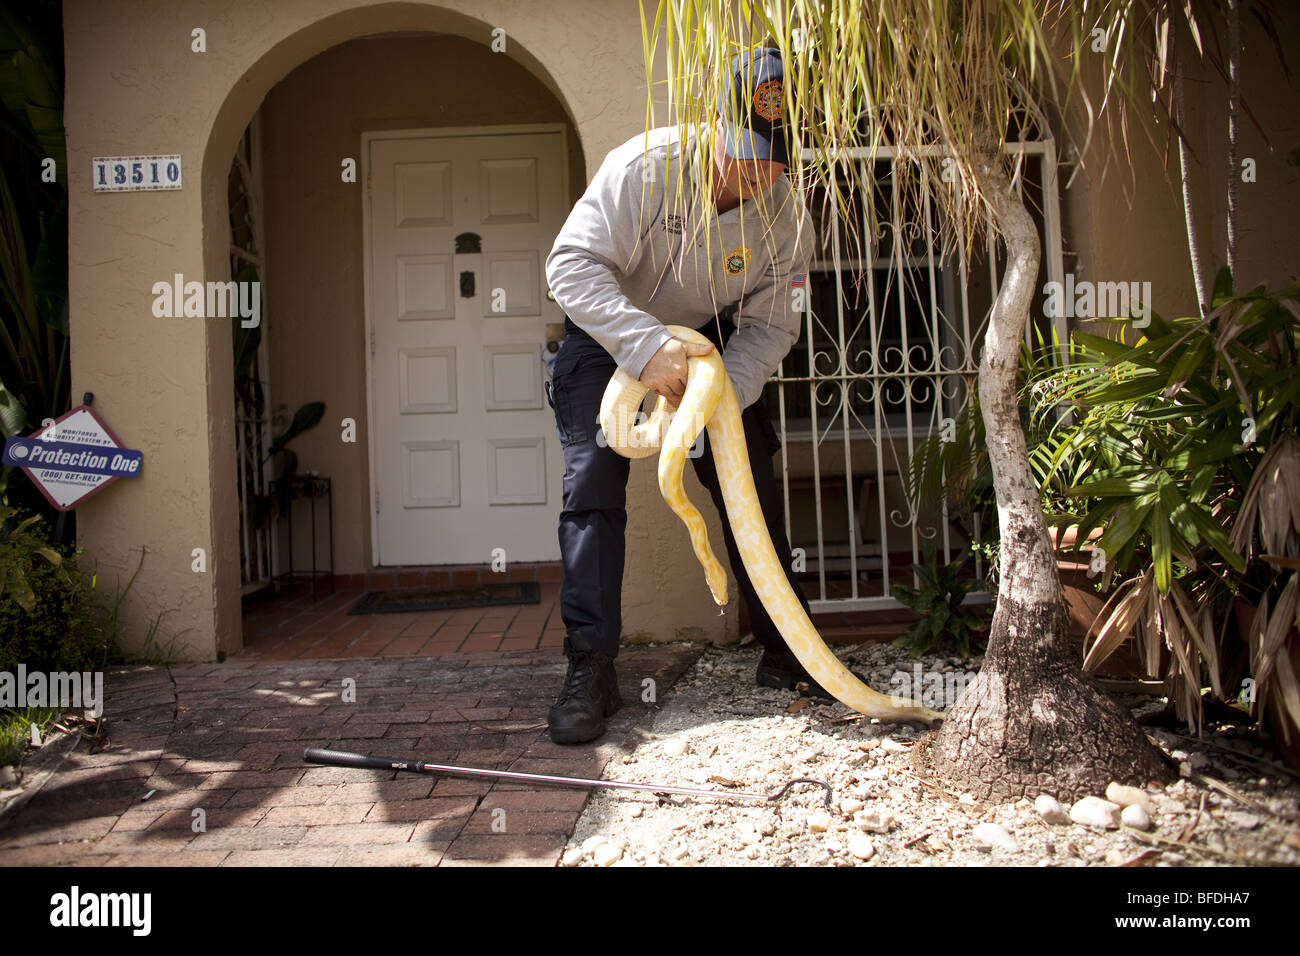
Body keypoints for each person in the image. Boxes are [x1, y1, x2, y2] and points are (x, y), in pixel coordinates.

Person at [543, 47, 819, 744]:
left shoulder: (788, 217)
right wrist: (644, 349)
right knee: (592, 484)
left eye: (773, 161)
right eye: (744, 153)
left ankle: (791, 650)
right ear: (713, 127)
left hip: (711, 349)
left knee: (747, 477)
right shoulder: (644, 168)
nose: (755, 174)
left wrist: (715, 393)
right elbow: (570, 267)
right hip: (606, 336)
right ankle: (591, 669)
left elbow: (771, 325)